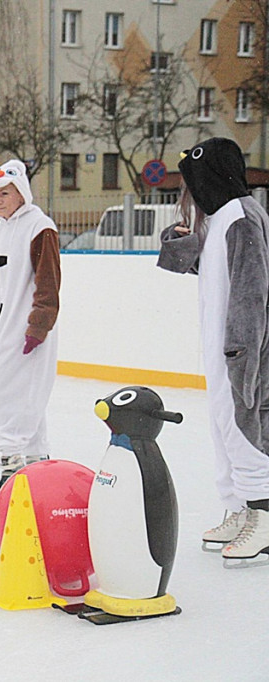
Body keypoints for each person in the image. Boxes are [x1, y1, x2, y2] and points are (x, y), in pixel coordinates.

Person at [157, 137, 269, 567]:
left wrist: (242, 350)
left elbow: (250, 288)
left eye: (194, 182)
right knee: (224, 426)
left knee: (245, 425)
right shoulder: (222, 217)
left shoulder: (241, 216)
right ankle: (241, 506)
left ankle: (262, 511)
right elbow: (205, 265)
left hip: (241, 347)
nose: (191, 194)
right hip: (224, 346)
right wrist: (179, 239)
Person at [0, 159, 61, 500]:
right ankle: (38, 461)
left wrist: (38, 326)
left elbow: (48, 282)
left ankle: (11, 462)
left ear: (21, 192)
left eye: (5, 193)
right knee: (20, 394)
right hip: (3, 328)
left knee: (5, 391)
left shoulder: (40, 227)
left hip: (30, 330)